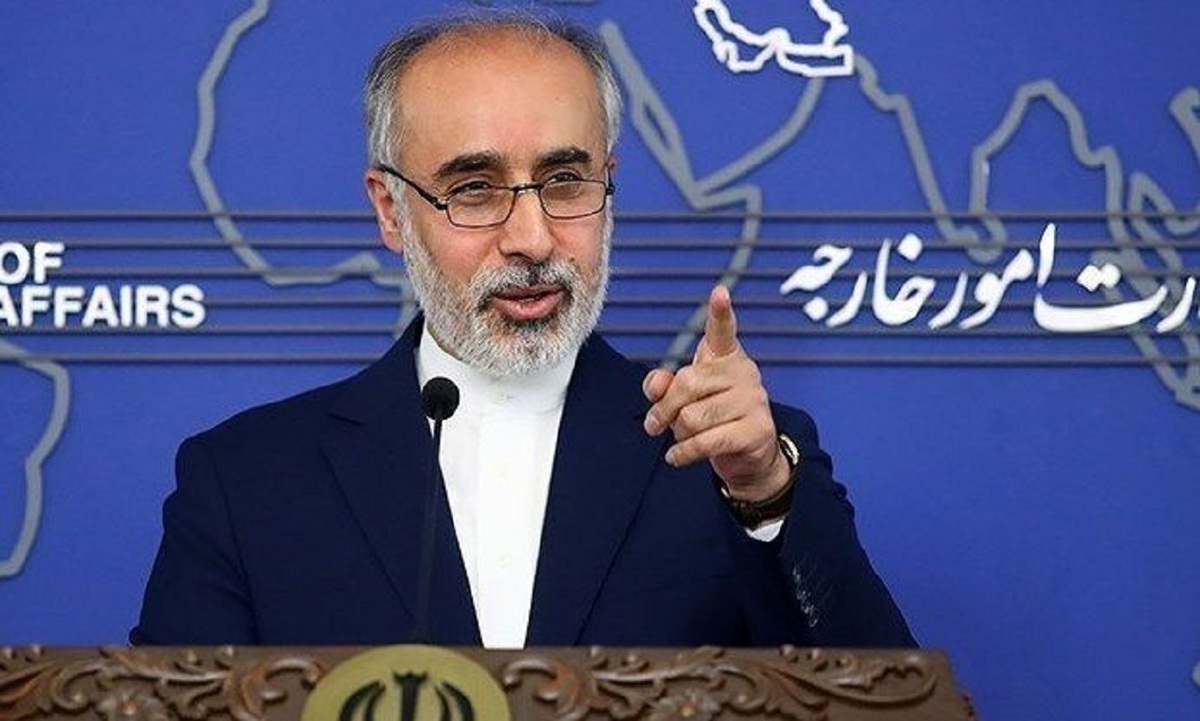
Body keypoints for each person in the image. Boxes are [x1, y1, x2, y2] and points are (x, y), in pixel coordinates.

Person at [132, 11, 914, 649]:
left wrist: (764, 493)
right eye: (474, 189)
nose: (533, 239)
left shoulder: (732, 456)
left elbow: (879, 698)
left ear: (609, 185)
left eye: (565, 181)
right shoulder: (246, 481)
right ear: (390, 210)